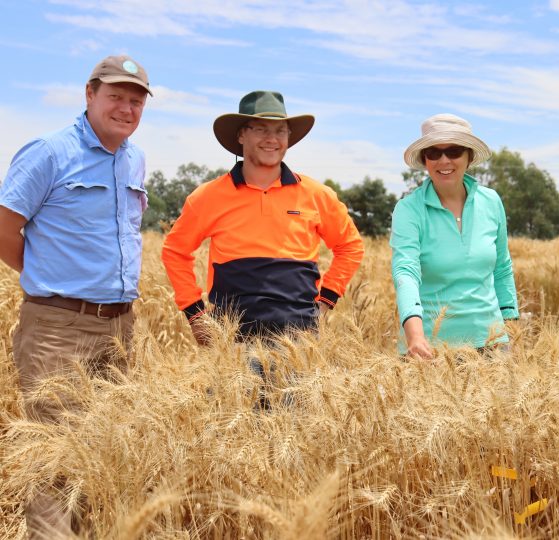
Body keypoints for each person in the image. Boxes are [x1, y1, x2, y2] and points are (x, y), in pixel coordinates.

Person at [0, 54, 152, 538]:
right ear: (89, 95)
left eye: (135, 101)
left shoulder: (135, 158)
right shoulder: (48, 151)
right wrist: (47, 274)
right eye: (115, 97)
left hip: (120, 327)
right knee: (55, 455)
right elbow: (5, 227)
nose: (126, 109)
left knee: (99, 450)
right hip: (57, 328)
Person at [161, 90, 363, 345]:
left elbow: (350, 246)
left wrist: (325, 303)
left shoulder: (317, 195)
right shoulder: (207, 196)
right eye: (261, 129)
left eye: (280, 130)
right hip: (230, 344)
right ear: (241, 134)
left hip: (301, 343)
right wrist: (195, 315)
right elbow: (175, 251)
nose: (272, 139)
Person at [391, 113, 519, 359]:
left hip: (493, 346)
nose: (444, 160)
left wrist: (512, 330)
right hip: (430, 351)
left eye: (454, 151)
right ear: (424, 159)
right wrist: (415, 337)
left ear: (469, 156)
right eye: (434, 153)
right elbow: (405, 272)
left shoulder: (491, 202)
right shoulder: (408, 210)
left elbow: (502, 269)